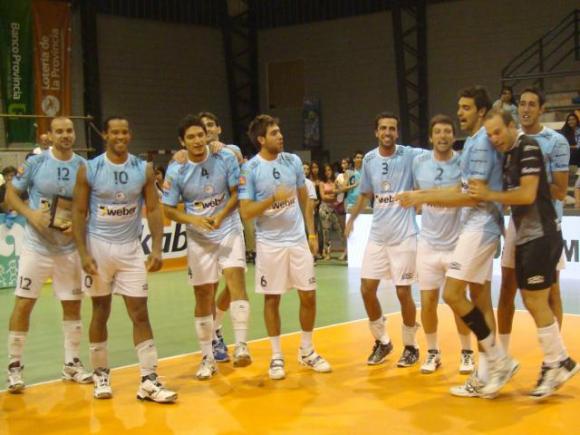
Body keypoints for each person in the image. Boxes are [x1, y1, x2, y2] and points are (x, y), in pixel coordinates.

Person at [396, 86, 513, 398]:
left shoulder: (480, 144)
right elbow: (462, 190)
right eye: (459, 106)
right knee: (481, 299)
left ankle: (498, 360)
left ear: (481, 112)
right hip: (478, 226)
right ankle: (486, 373)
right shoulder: (473, 142)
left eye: (466, 108)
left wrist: (421, 197)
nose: (460, 112)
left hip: (480, 225)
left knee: (452, 293)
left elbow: (470, 197)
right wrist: (422, 194)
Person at [469, 109, 579, 399]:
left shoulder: (527, 148)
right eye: (489, 134)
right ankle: (560, 361)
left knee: (536, 300)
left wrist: (488, 194)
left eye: (497, 132)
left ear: (511, 125)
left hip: (540, 234)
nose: (494, 138)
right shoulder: (509, 154)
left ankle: (558, 363)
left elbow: (527, 195)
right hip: (527, 236)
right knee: (533, 301)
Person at [72, 116, 177, 403]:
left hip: (130, 250)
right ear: (105, 135)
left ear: (130, 135)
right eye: (114, 132)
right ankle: (101, 375)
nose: (120, 136)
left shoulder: (143, 169)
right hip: (98, 247)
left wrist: (157, 249)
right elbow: (78, 212)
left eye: (124, 132)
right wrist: (82, 253)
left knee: (140, 313)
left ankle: (149, 380)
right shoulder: (89, 169)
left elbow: (153, 209)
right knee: (100, 310)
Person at [239, 114, 331, 380]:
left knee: (309, 295)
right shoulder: (250, 169)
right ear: (261, 139)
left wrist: (311, 233)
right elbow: (246, 212)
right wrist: (272, 199)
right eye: (274, 133)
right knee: (272, 298)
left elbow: (305, 200)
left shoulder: (292, 161)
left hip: (297, 240)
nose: (280, 136)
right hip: (270, 243)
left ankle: (307, 350)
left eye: (279, 132)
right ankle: (276, 356)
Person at [5, 117, 92, 393]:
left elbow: (89, 205)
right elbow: (10, 195)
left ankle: (72, 364)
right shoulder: (35, 162)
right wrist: (30, 214)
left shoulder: (84, 166)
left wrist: (78, 225)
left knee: (72, 305)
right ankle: (14, 367)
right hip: (37, 247)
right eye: (59, 131)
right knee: (24, 303)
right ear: (50, 136)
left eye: (69, 131)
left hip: (69, 249)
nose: (65, 135)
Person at [162, 115, 251, 380]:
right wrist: (194, 220)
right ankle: (207, 357)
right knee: (203, 295)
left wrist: (221, 216)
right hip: (199, 235)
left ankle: (242, 346)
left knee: (236, 280)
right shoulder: (176, 168)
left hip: (228, 228)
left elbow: (236, 194)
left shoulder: (225, 157)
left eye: (200, 135)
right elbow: (168, 209)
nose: (197, 140)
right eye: (191, 137)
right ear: (182, 142)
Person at [345, 112, 426, 368]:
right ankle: (382, 341)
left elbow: (437, 155)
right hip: (378, 236)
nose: (387, 132)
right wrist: (351, 219)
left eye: (392, 128)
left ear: (397, 132)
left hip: (404, 236)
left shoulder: (410, 154)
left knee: (403, 292)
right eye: (383, 128)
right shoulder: (369, 159)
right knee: (367, 289)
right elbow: (364, 194)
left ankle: (411, 346)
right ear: (376, 132)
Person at [498, 87, 570, 356]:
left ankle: (554, 357)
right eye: (522, 104)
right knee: (507, 288)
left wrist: (529, 184)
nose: (526, 109)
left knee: (551, 292)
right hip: (517, 223)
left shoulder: (556, 141)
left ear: (542, 109)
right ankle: (502, 356)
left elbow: (560, 191)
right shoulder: (510, 140)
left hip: (547, 225)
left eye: (531, 104)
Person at [412, 114, 474, 374]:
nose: (443, 136)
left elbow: (465, 194)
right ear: (430, 137)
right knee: (427, 301)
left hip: (456, 243)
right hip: (427, 244)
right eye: (438, 132)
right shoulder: (419, 162)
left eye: (448, 131)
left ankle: (467, 352)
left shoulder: (463, 162)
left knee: (458, 300)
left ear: (454, 136)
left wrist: (425, 196)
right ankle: (433, 352)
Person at [319, 163, 345, 260]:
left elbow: (338, 195)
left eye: (329, 170)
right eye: (325, 171)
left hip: (335, 208)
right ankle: (327, 253)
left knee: (340, 230)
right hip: (324, 209)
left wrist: (330, 197)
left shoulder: (335, 182)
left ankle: (346, 251)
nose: (327, 172)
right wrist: (332, 197)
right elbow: (323, 197)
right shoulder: (322, 183)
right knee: (326, 232)